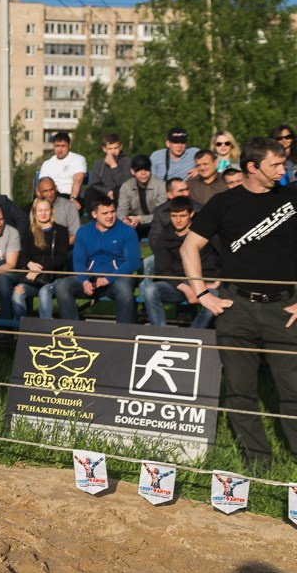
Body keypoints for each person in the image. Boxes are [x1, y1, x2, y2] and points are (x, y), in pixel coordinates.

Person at [181, 136, 297, 467]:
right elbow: (189, 248)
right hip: (237, 308)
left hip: (285, 308)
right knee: (240, 390)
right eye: (275, 164)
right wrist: (203, 294)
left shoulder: (293, 197)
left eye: (283, 162)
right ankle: (260, 464)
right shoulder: (223, 203)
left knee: (293, 390)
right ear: (252, 167)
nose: (282, 169)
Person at [54, 194, 141, 324]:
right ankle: (71, 331)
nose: (110, 216)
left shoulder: (127, 231)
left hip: (117, 278)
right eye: (105, 213)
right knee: (62, 286)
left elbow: (133, 262)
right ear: (94, 214)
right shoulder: (83, 232)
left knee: (125, 289)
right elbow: (78, 261)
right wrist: (84, 281)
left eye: (112, 212)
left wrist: (108, 279)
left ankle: (124, 335)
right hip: (91, 277)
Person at [143, 196, 218, 329]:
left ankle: (193, 334)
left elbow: (224, 256)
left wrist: (218, 282)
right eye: (174, 215)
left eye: (182, 215)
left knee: (215, 298)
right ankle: (159, 334)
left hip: (206, 282)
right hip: (178, 284)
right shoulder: (164, 238)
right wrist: (185, 287)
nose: (178, 220)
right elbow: (163, 269)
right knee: (150, 291)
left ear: (191, 214)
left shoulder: (206, 232)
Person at [10, 197, 71, 321]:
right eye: (39, 210)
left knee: (44, 292)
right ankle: (23, 329)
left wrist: (39, 268)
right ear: (34, 213)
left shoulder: (61, 231)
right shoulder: (28, 231)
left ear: (51, 211)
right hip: (33, 277)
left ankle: (44, 330)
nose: (43, 214)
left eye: (46, 210)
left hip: (53, 277)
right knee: (17, 292)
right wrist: (30, 264)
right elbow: (23, 255)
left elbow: (61, 257)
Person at [116, 155, 166, 239]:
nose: (143, 173)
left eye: (146, 169)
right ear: (132, 171)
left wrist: (139, 219)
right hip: (134, 223)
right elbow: (122, 210)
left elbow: (162, 214)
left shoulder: (161, 185)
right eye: (139, 170)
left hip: (156, 223)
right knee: (121, 231)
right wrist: (126, 220)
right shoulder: (126, 186)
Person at [38, 131, 87, 211]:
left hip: (70, 196)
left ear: (69, 145)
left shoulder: (78, 159)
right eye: (57, 146)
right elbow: (41, 185)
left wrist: (73, 198)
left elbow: (78, 180)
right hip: (51, 196)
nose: (60, 149)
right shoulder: (47, 164)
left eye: (63, 146)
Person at [88, 133, 132, 209]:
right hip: (104, 193)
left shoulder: (126, 161)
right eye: (110, 149)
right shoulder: (99, 163)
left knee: (117, 192)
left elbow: (125, 184)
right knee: (89, 193)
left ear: (120, 147)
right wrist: (107, 191)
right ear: (104, 149)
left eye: (116, 148)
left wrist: (113, 166)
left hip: (119, 194)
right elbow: (94, 184)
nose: (113, 151)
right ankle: (94, 219)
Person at [34, 176, 80, 244]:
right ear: (38, 192)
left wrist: (59, 247)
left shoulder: (69, 206)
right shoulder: (33, 207)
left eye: (51, 190)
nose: (49, 194)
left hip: (64, 248)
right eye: (45, 191)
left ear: (56, 189)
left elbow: (76, 234)